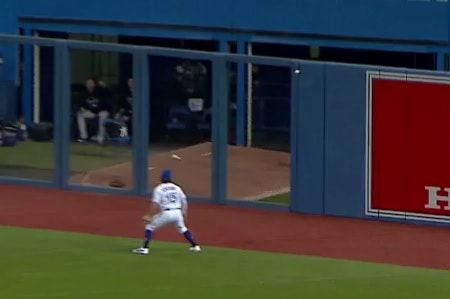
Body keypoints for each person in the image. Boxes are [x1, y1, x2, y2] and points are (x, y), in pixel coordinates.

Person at [133, 169, 201, 255]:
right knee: (183, 228)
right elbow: (184, 201)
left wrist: (150, 216)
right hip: (177, 212)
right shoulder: (177, 188)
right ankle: (196, 246)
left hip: (167, 213)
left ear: (161, 178)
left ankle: (145, 248)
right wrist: (184, 213)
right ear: (170, 178)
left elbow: (155, 204)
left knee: (149, 226)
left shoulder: (159, 189)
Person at [76, 79, 110, 143]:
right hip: (91, 112)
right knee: (80, 114)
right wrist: (90, 110)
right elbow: (82, 104)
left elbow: (107, 99)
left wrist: (104, 87)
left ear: (94, 84)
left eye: (91, 83)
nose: (89, 85)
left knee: (103, 115)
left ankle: (101, 136)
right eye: (88, 83)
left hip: (101, 111)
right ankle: (83, 136)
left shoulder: (100, 91)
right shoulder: (83, 93)